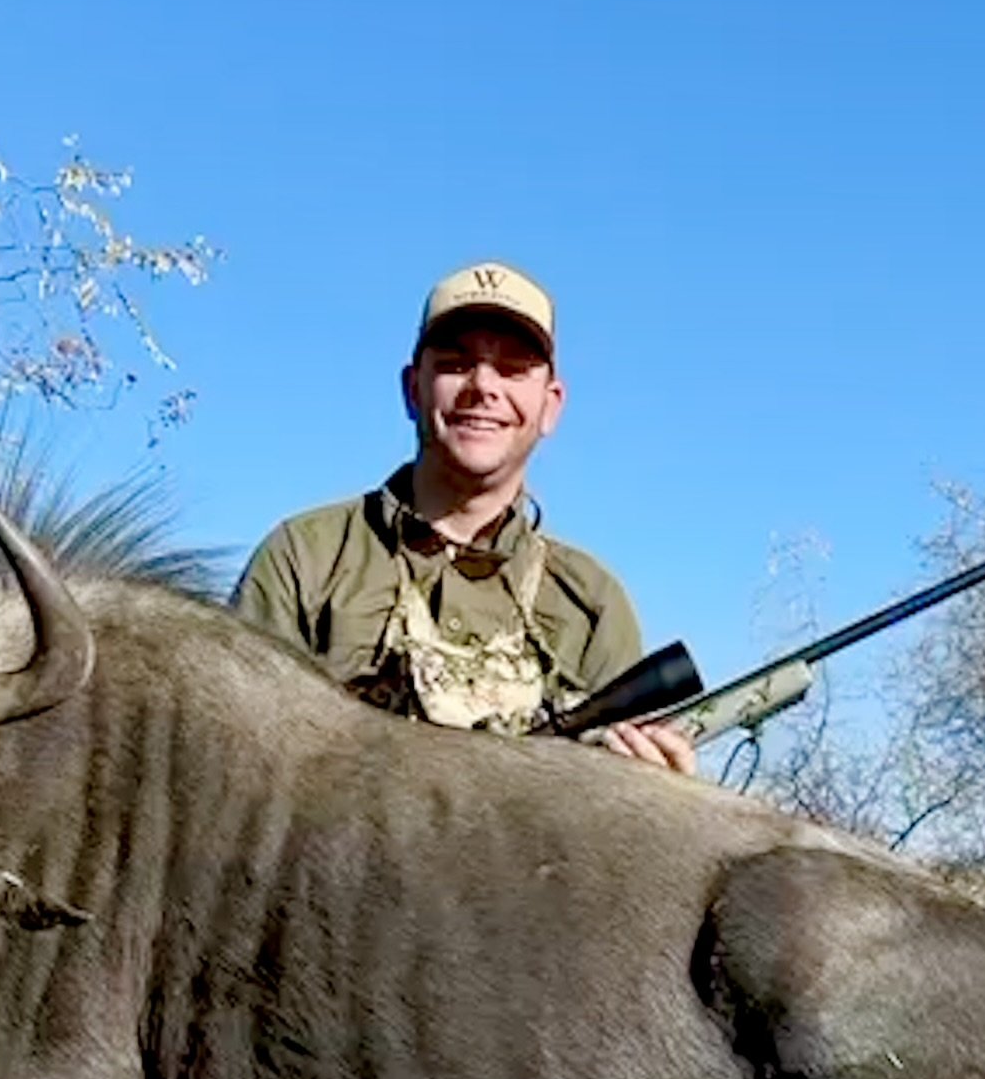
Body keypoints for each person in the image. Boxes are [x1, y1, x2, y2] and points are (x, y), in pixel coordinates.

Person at [231, 260, 694, 774]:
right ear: (413, 389)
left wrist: (660, 788)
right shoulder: (306, 559)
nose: (483, 386)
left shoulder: (592, 603)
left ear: (550, 406)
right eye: (455, 363)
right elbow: (237, 769)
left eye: (514, 369)